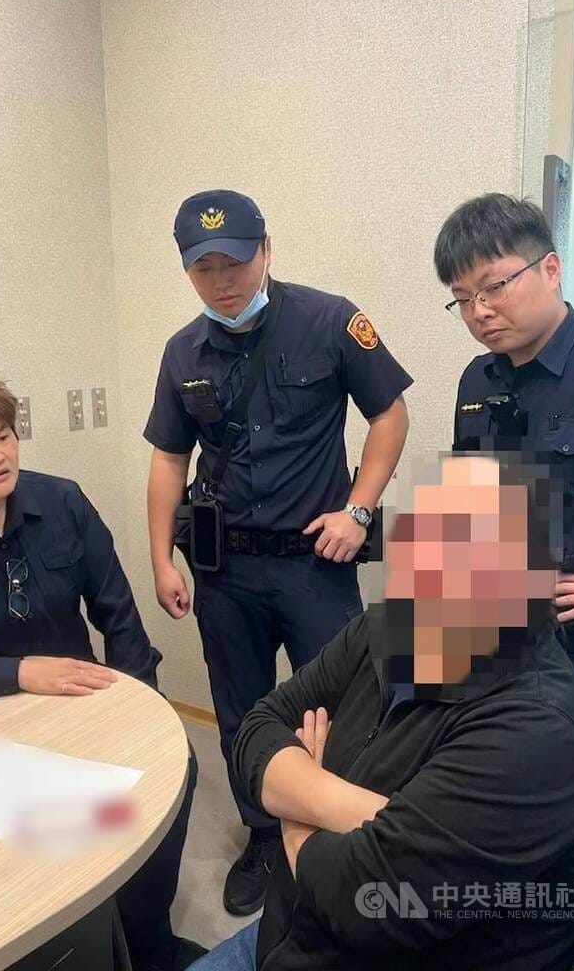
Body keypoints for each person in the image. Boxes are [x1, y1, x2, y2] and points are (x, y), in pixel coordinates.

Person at [190, 452, 574, 971]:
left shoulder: (537, 732)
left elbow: (359, 898)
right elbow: (257, 731)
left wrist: (294, 817)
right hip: (286, 930)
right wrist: (358, 812)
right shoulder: (392, 628)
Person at [0, 377, 206, 971]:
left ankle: (146, 938)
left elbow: (119, 616)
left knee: (173, 770)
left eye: (3, 436)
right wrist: (19, 672)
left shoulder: (63, 502)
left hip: (79, 706)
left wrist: (144, 711)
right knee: (23, 836)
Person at [144, 189, 412, 915]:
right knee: (241, 707)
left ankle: (339, 832)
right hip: (225, 570)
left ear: (266, 250)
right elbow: (168, 458)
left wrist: (358, 510)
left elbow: (389, 414)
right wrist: (161, 558)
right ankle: (265, 837)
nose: (222, 281)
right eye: (204, 269)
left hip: (313, 564)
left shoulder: (330, 321)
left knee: (343, 704)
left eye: (234, 262)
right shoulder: (182, 352)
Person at [436, 192, 574, 795]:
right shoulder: (477, 380)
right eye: (462, 298)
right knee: (499, 799)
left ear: (550, 269)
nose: (479, 311)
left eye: (493, 286)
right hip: (492, 638)